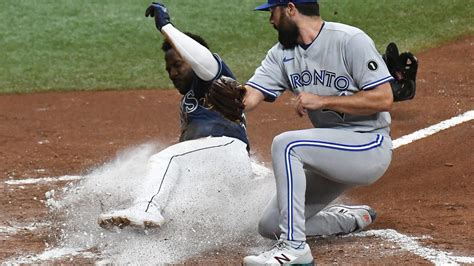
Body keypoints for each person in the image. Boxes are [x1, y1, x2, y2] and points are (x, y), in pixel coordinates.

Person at [242, 0, 395, 264]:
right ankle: (346, 219)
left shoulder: (350, 40)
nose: (271, 20)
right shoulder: (281, 54)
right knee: (269, 225)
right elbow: (249, 98)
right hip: (331, 152)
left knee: (287, 144)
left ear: (290, 9)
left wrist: (324, 101)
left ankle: (294, 248)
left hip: (369, 146)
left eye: (273, 11)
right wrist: (225, 93)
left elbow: (383, 99)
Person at [97, 2, 252, 230]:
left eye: (178, 65)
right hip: (218, 166)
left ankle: (146, 207)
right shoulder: (189, 100)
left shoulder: (213, 77)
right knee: (175, 193)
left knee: (164, 159)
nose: (172, 73)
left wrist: (166, 26)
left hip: (226, 149)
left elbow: (204, 60)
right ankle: (146, 221)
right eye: (168, 69)